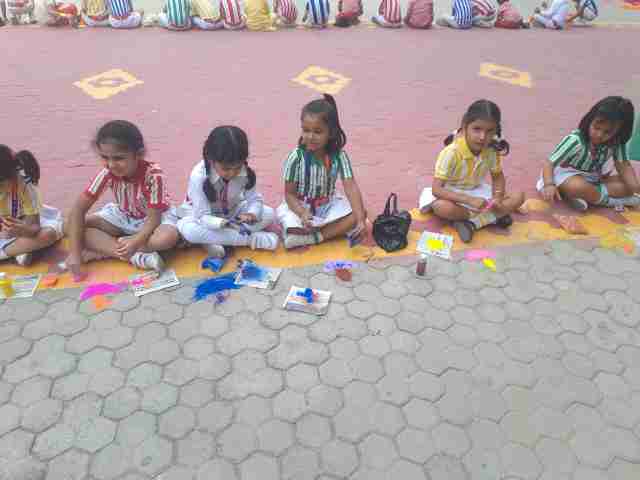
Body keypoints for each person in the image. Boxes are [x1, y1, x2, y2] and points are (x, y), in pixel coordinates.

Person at [65, 120, 179, 275]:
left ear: (138, 154)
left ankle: (106, 248)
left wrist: (136, 240)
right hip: (123, 216)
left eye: (119, 158)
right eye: (105, 157)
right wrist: (75, 254)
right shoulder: (107, 173)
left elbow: (154, 220)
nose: (111, 165)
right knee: (69, 225)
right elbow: (79, 209)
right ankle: (136, 257)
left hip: (154, 220)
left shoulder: (153, 175)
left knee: (167, 238)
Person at [419, 99, 525, 243]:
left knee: (519, 196)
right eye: (477, 129)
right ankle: (492, 218)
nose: (482, 137)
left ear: (496, 130)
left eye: (489, 131)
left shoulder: (491, 150)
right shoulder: (451, 152)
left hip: (476, 191)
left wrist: (497, 197)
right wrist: (469, 200)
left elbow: (498, 177)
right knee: (441, 207)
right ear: (465, 126)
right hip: (451, 194)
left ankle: (471, 224)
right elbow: (436, 190)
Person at [278, 94, 368, 249]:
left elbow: (350, 186)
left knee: (360, 214)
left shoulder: (340, 156)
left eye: (318, 132)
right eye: (306, 130)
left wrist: (360, 220)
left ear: (331, 133)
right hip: (300, 206)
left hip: (328, 204)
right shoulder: (295, 157)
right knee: (291, 225)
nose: (310, 137)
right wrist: (302, 213)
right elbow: (289, 194)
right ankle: (323, 232)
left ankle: (315, 238)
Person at [177, 126, 279, 257]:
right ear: (211, 160)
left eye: (237, 168)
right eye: (226, 169)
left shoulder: (245, 172)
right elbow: (202, 216)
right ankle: (252, 239)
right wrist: (222, 224)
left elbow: (255, 200)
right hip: (203, 219)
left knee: (269, 214)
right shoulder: (198, 176)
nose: (232, 173)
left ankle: (214, 240)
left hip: (233, 214)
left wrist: (251, 214)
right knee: (190, 232)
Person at [538, 97, 639, 211]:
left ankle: (582, 195)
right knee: (578, 187)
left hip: (594, 179)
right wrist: (549, 184)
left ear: (619, 132)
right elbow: (549, 163)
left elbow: (624, 166)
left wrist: (634, 187)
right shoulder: (575, 140)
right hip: (565, 176)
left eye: (607, 132)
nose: (599, 135)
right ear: (589, 120)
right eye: (596, 128)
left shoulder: (616, 143)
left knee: (628, 185)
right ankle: (610, 202)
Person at [0, 146, 63, 266]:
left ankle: (19, 250)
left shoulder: (25, 184)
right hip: (6, 233)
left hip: (21, 223)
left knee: (47, 234)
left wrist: (22, 230)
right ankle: (21, 251)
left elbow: (34, 227)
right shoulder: (8, 180)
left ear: (12, 176)